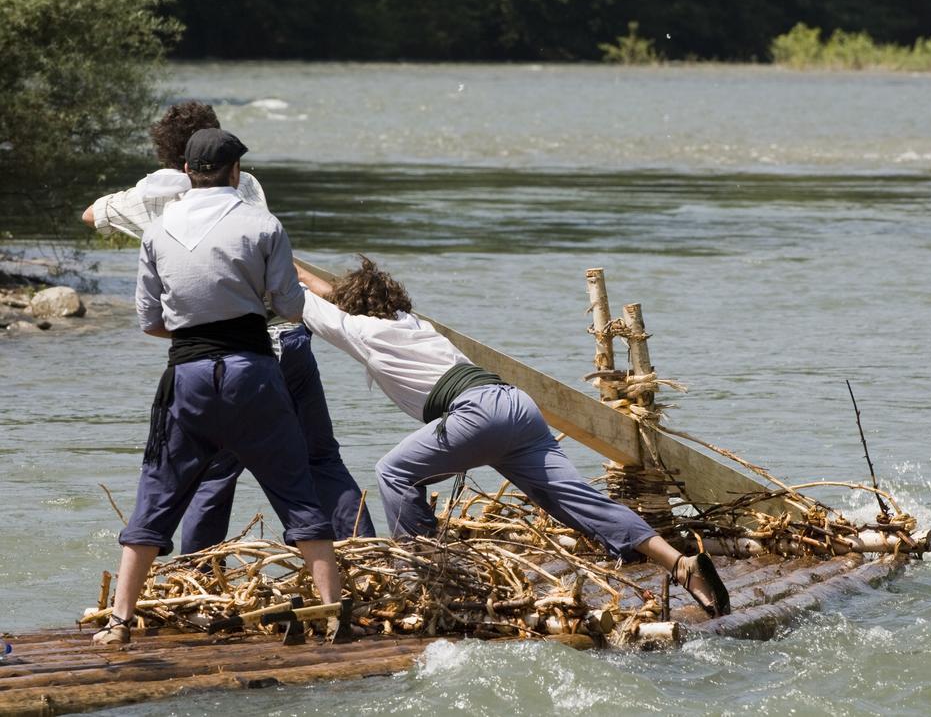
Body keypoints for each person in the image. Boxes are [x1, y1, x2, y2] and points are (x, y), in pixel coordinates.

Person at [295, 257, 730, 618]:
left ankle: (424, 580)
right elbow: (329, 292)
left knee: (393, 473)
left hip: (476, 413)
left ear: (351, 309)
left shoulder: (359, 331)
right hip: (516, 406)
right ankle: (682, 564)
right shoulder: (410, 322)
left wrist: (271, 244)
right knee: (578, 499)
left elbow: (298, 295)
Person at [82, 101, 375, 549]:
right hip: (286, 340)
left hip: (221, 360)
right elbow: (273, 260)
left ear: (174, 155)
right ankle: (361, 552)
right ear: (228, 160)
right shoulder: (246, 186)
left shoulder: (151, 197)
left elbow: (91, 214)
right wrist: (323, 287)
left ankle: (202, 571)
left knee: (213, 472)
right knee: (319, 457)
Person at [93, 129, 343, 645]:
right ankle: (335, 615)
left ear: (187, 171)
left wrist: (194, 327)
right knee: (296, 493)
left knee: (157, 496)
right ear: (236, 173)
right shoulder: (262, 224)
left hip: (186, 376)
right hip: (252, 372)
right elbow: (292, 307)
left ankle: (119, 622)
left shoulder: (157, 232)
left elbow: (149, 320)